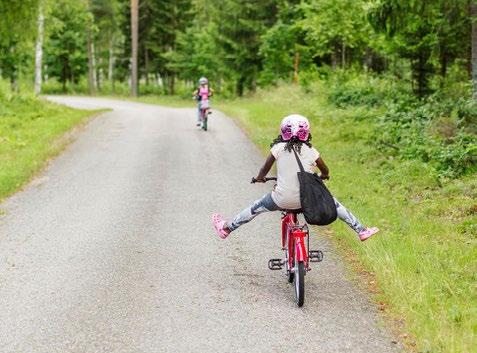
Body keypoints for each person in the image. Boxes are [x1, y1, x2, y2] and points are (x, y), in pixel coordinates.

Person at [212, 114, 379, 241]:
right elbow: (325, 170)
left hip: (281, 200)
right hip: (310, 200)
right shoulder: (311, 151)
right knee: (334, 203)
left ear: (283, 131)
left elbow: (264, 169)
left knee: (256, 207)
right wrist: (324, 175)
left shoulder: (278, 148)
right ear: (306, 132)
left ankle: (227, 228)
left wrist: (260, 178)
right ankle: (361, 230)